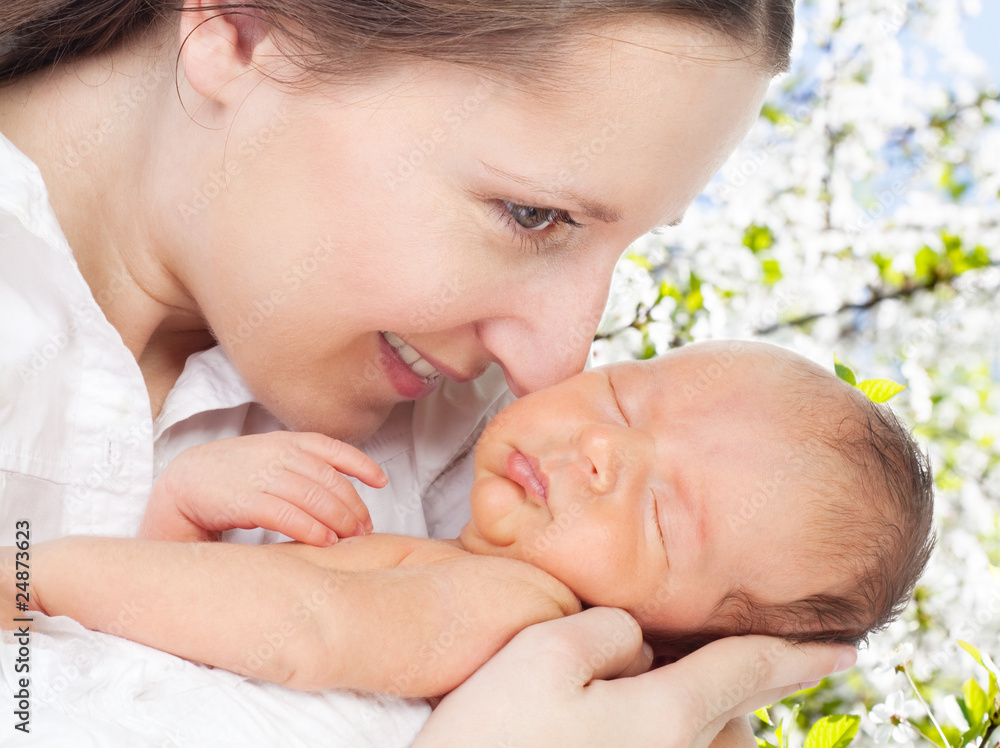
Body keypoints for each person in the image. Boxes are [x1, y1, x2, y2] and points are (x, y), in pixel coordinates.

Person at [0, 1, 858, 745]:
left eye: (624, 249)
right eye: (533, 215)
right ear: (240, 29)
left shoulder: (484, 472)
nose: (554, 363)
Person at [8, 341, 933, 701]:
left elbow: (302, 632)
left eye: (659, 513)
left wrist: (34, 574)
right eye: (626, 396)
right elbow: (190, 668)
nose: (605, 450)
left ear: (671, 645)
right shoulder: (456, 574)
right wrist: (183, 514)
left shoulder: (523, 614)